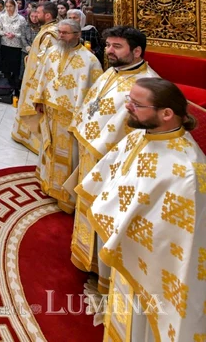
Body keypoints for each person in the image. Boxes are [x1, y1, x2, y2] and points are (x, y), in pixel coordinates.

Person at [77, 78, 205, 342]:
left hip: (152, 264)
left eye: (136, 104)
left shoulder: (189, 172)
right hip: (127, 247)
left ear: (167, 114)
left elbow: (179, 241)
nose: (127, 107)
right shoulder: (139, 135)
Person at [68, 26, 159, 292]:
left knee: (106, 214)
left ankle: (103, 270)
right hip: (92, 153)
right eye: (108, 45)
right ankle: (87, 258)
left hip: (115, 163)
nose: (109, 51)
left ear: (137, 51)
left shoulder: (147, 87)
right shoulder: (112, 71)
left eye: (117, 46)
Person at [32, 19, 102, 213]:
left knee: (69, 156)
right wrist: (38, 99)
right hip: (50, 110)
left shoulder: (90, 61)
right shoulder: (52, 52)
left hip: (71, 116)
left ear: (77, 35)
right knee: (49, 147)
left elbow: (95, 93)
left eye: (65, 33)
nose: (60, 36)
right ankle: (48, 184)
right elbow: (42, 77)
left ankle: (65, 196)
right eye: (59, 32)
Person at [12, 2, 60, 153]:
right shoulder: (47, 29)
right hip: (32, 71)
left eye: (38, 13)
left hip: (37, 77)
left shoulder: (50, 33)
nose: (35, 16)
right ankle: (24, 135)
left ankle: (34, 139)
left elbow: (47, 60)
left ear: (47, 15)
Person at [0, 0, 26, 95]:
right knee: (6, 67)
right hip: (5, 44)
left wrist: (15, 35)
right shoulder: (2, 17)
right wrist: (5, 33)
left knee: (15, 68)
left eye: (11, 6)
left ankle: (16, 88)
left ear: (15, 6)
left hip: (16, 46)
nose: (9, 8)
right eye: (7, 6)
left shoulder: (21, 19)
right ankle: (7, 87)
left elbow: (23, 34)